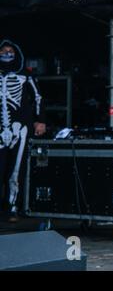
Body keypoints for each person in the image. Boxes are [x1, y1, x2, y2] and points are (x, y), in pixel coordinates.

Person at [0, 40, 46, 222]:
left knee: (15, 170)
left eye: (10, 50)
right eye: (3, 50)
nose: (7, 53)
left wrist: (40, 121)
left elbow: (38, 97)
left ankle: (13, 206)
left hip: (20, 127)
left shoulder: (24, 75)